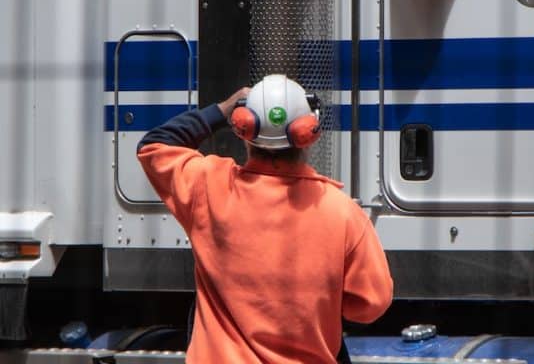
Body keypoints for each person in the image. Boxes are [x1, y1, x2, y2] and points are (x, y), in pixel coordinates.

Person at [137, 74, 393, 363]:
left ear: (243, 127)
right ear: (309, 132)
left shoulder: (209, 187)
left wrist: (223, 109)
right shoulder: (343, 213)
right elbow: (371, 304)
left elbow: (155, 144)